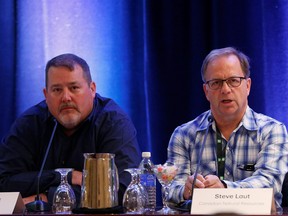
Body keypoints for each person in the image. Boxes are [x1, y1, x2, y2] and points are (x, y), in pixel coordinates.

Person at [0, 53, 141, 207]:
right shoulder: (29, 123)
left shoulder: (113, 122)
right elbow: (4, 182)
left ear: (92, 89)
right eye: (57, 90)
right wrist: (67, 176)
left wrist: (47, 198)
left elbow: (124, 191)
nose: (66, 97)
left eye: (74, 88)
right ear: (46, 95)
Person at [167, 47, 288, 212]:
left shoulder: (272, 131)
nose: (225, 89)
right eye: (216, 83)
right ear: (206, 91)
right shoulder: (184, 135)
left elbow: (269, 184)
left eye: (233, 80)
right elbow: (170, 191)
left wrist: (224, 189)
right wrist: (186, 190)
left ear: (248, 86)